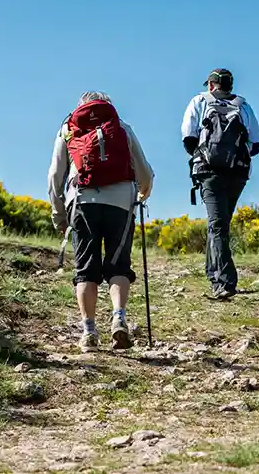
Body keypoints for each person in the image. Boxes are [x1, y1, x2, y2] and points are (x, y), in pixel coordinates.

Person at [48, 91, 154, 352]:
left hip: (83, 202)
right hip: (121, 202)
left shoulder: (68, 129)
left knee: (86, 269)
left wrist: (59, 214)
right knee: (119, 266)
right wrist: (141, 194)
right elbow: (145, 172)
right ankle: (119, 318)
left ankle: (89, 331)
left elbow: (54, 177)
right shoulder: (121, 128)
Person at [181, 68, 259, 300]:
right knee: (220, 222)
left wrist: (205, 155)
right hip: (238, 172)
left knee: (218, 225)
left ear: (211, 85)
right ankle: (214, 273)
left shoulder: (199, 101)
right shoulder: (243, 106)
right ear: (230, 85)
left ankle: (224, 282)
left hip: (209, 171)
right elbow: (256, 144)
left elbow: (188, 137)